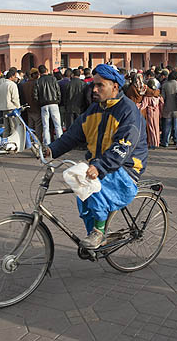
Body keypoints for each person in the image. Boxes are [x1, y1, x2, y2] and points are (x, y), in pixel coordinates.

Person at [44, 64, 148, 249]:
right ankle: (96, 234)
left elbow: (122, 147)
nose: (95, 89)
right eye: (94, 85)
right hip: (100, 165)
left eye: (100, 85)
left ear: (115, 87)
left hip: (125, 168)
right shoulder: (94, 109)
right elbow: (72, 135)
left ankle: (99, 232)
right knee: (82, 195)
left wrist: (99, 167)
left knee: (91, 187)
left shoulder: (128, 111)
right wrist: (51, 150)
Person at [33, 64, 63, 144]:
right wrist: (58, 101)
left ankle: (47, 144)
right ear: (46, 70)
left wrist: (40, 103)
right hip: (54, 103)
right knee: (57, 124)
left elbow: (35, 95)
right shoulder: (53, 79)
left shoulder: (38, 81)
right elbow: (58, 91)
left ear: (39, 72)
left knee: (45, 126)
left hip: (44, 105)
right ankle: (60, 142)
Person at [160, 71, 177, 150]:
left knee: (167, 127)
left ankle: (165, 142)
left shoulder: (165, 85)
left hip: (167, 108)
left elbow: (162, 98)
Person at [0, 69, 20, 136]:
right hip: (11, 109)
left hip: (3, 109)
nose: (16, 78)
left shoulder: (1, 85)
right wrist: (18, 107)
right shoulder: (12, 85)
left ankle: (5, 141)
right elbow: (15, 98)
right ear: (11, 77)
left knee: (6, 128)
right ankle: (12, 142)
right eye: (15, 77)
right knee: (13, 128)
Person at [21, 68, 42, 140]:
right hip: (36, 107)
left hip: (28, 108)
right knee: (38, 125)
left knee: (30, 125)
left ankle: (30, 139)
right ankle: (37, 140)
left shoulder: (24, 85)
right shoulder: (36, 83)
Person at [144, 79, 162, 150]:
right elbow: (162, 103)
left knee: (151, 128)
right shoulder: (158, 94)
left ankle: (152, 143)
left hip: (150, 112)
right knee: (156, 127)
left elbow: (144, 105)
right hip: (156, 111)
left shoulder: (147, 95)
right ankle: (157, 142)